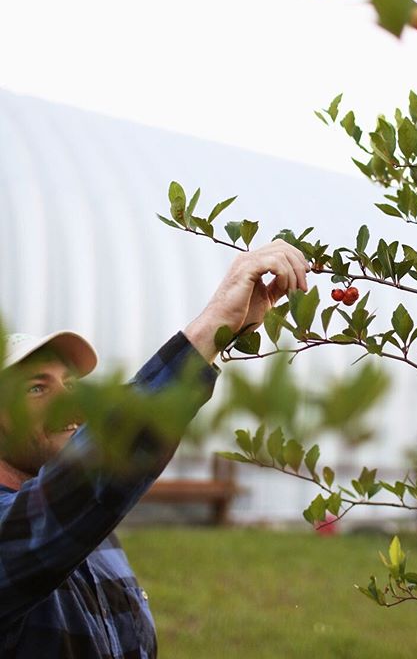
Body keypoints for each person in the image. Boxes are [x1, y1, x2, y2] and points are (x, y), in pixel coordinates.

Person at [0, 239, 309, 658]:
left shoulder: (94, 532)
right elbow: (70, 494)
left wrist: (223, 333)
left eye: (71, 385)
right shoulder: (39, 523)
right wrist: (209, 328)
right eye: (37, 388)